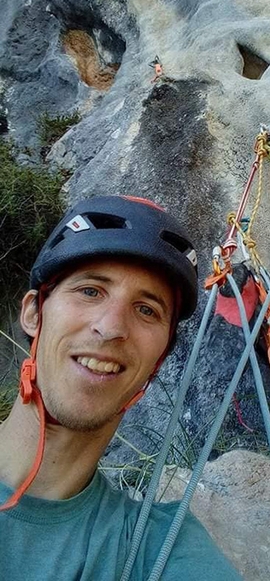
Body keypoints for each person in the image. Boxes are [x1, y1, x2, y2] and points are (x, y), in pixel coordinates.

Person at [0, 195, 242, 580]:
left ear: (160, 358)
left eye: (147, 309)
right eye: (90, 291)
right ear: (33, 312)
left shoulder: (156, 549)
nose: (111, 328)